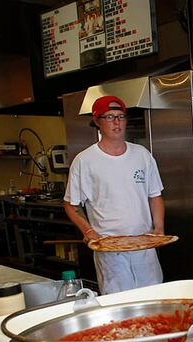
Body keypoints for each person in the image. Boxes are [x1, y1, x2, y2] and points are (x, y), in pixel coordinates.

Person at [63, 95, 165, 294]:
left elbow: (155, 196)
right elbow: (71, 204)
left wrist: (159, 228)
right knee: (120, 304)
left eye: (121, 116)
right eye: (109, 117)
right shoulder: (85, 161)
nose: (117, 122)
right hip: (110, 250)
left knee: (154, 299)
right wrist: (89, 232)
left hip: (144, 246)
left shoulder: (142, 154)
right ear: (97, 122)